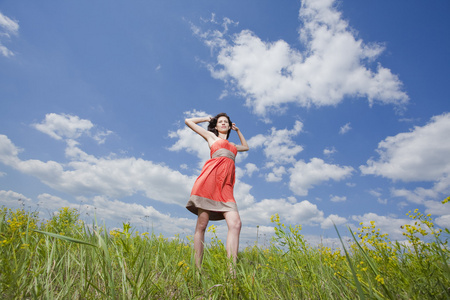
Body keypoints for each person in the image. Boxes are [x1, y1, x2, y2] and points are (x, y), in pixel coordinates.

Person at [185, 113, 249, 268]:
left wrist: (238, 131)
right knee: (202, 225)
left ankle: (231, 272)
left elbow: (246, 147)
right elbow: (188, 121)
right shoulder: (211, 138)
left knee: (236, 224)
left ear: (229, 126)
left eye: (226, 122)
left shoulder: (233, 146)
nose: (223, 123)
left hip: (226, 186)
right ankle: (197, 269)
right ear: (215, 125)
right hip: (209, 182)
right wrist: (206, 119)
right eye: (220, 121)